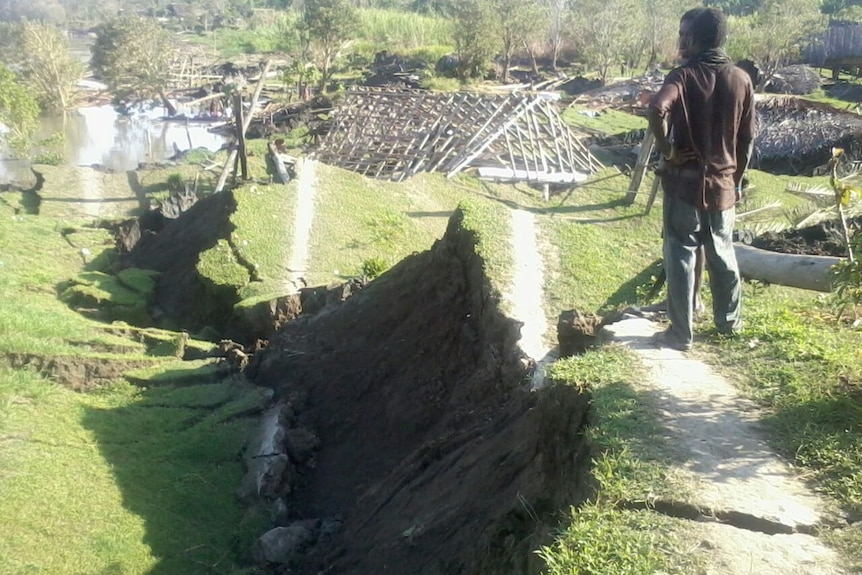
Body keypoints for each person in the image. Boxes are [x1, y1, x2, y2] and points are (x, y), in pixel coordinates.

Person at [647, 7, 755, 351]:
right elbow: (747, 139)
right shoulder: (741, 79)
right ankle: (729, 325)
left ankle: (680, 333)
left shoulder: (682, 76)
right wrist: (736, 178)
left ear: (695, 38)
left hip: (684, 183)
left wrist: (668, 152)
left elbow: (656, 108)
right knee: (723, 253)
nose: (680, 41)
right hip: (723, 184)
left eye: (683, 34)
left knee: (681, 252)